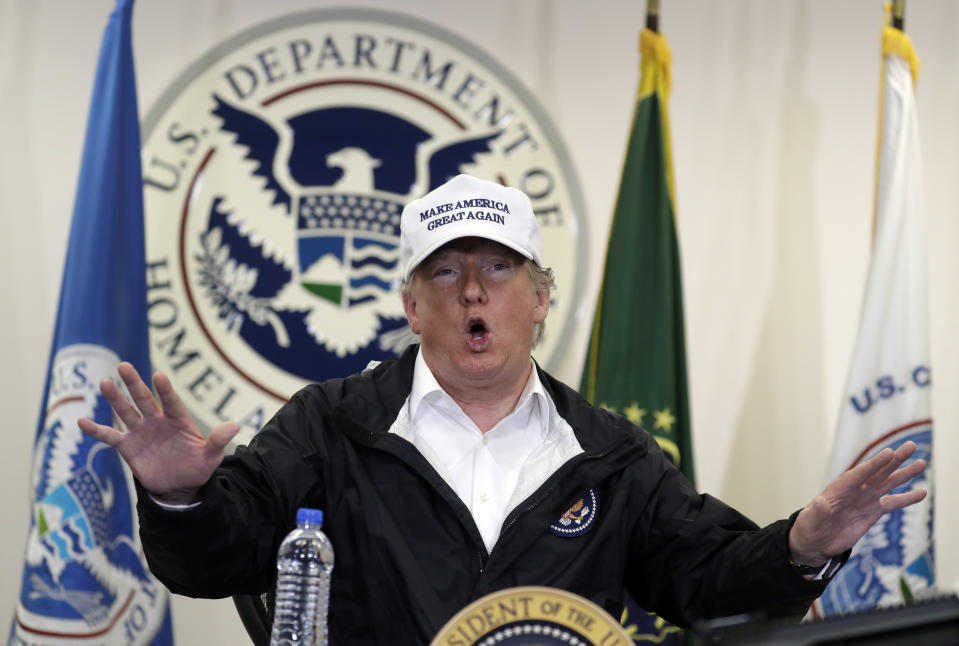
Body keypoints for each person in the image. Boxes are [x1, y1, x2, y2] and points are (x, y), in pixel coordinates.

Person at [79, 174, 927, 645]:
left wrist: (802, 546)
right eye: (446, 273)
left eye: (498, 269)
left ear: (540, 299)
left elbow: (706, 583)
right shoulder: (329, 425)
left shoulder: (608, 455)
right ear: (411, 307)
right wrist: (179, 499)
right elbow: (212, 566)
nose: (474, 291)